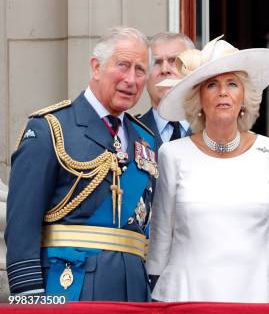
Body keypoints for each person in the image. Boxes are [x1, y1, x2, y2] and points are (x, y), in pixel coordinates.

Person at [5, 26, 156, 301]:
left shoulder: (145, 140)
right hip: (70, 289)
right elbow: (21, 227)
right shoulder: (51, 129)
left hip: (133, 292)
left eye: (140, 70)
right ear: (96, 67)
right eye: (123, 66)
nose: (131, 79)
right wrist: (30, 299)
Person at [146, 35, 269, 302]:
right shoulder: (172, 153)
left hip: (257, 296)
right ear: (199, 99)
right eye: (212, 85)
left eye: (232, 84)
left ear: (244, 97)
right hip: (188, 297)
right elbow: (160, 240)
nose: (223, 92)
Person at [139, 32, 195, 151]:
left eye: (174, 61)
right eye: (156, 63)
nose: (164, 70)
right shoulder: (130, 131)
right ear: (145, 75)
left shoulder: (212, 130)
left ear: (193, 70)